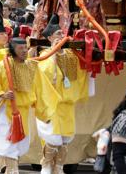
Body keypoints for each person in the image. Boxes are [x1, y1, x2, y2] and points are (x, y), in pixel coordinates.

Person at [0, 37, 58, 174]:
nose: (25, 51)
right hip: (7, 110)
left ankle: (9, 167)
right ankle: (12, 170)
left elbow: (41, 90)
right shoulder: (3, 66)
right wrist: (2, 94)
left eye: (26, 48)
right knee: (9, 142)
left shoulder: (32, 66)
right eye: (21, 49)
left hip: (24, 112)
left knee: (21, 142)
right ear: (12, 50)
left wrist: (44, 112)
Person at [36, 15, 88, 174]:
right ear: (50, 37)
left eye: (61, 33)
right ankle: (46, 166)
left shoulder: (70, 55)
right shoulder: (45, 54)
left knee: (65, 139)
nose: (61, 36)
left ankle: (59, 167)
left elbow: (81, 72)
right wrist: (53, 54)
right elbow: (46, 75)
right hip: (52, 104)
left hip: (67, 104)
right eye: (57, 33)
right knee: (51, 138)